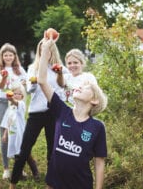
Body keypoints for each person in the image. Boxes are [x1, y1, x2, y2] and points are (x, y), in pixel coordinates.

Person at [37, 36, 108, 189]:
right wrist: (44, 52)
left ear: (94, 100)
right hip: (54, 183)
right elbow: (42, 81)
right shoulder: (62, 111)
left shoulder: (97, 127)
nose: (79, 87)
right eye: (78, 86)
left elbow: (99, 161)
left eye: (85, 87)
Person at [9, 38, 67, 187]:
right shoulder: (32, 68)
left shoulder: (59, 68)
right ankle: (12, 183)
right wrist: (34, 83)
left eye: (47, 48)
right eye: (41, 48)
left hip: (54, 113)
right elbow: (29, 90)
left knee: (52, 150)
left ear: (52, 50)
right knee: (24, 149)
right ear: (39, 50)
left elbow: (62, 87)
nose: (44, 50)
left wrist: (60, 74)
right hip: (36, 112)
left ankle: (51, 183)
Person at [0, 43, 27, 179]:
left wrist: (24, 84)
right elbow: (0, 86)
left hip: (16, 103)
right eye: (5, 55)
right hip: (2, 102)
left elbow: (26, 84)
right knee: (4, 134)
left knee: (18, 133)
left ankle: (19, 167)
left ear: (14, 56)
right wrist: (5, 77)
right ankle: (6, 168)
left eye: (10, 55)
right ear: (2, 56)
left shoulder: (19, 69)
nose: (8, 57)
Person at [0, 82, 39, 180]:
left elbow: (16, 103)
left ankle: (35, 171)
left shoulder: (21, 105)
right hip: (12, 136)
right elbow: (7, 122)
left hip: (21, 134)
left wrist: (11, 99)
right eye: (15, 93)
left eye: (19, 93)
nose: (17, 95)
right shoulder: (9, 109)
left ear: (22, 96)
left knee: (26, 153)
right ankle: (20, 173)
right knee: (16, 155)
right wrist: (5, 134)